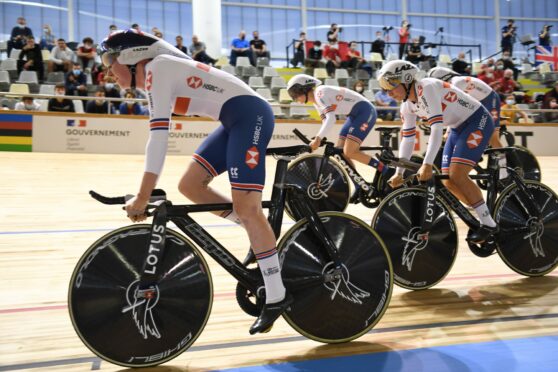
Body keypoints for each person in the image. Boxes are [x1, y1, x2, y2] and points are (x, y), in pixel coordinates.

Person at [99, 29, 291, 334]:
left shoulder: (157, 68)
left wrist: (143, 194)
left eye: (110, 61)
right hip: (235, 119)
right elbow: (159, 136)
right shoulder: (156, 72)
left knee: (247, 206)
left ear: (131, 57)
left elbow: (158, 138)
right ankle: (257, 230)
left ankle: (277, 295)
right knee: (190, 185)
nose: (107, 71)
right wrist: (144, 193)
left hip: (250, 115)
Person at [377, 60, 497, 246]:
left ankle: (489, 224)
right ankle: (480, 210)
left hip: (477, 119)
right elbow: (407, 138)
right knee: (448, 180)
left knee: (457, 173)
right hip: (457, 128)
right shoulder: (406, 106)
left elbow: (436, 128)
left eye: (391, 85)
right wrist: (399, 172)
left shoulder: (428, 87)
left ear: (407, 80)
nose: (388, 92)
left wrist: (426, 164)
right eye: (384, 87)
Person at [286, 74, 387, 185]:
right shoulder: (316, 102)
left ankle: (385, 170)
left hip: (365, 111)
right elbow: (326, 121)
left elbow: (331, 119)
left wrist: (318, 138)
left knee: (349, 151)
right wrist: (318, 137)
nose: (294, 99)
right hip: (354, 115)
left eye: (295, 95)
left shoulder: (320, 92)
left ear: (303, 89)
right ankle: (359, 185)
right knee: (340, 152)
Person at [427, 67, 508, 180]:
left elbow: (455, 106)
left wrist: (447, 131)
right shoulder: (451, 84)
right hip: (478, 103)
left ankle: (504, 168)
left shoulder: (456, 82)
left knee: (493, 138)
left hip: (490, 100)